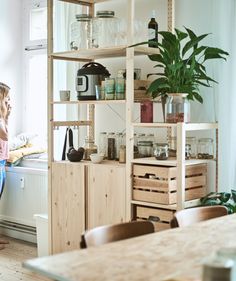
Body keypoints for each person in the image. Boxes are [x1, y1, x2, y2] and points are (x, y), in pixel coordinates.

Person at [0, 82, 11, 250]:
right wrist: (4, 115)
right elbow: (5, 136)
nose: (9, 102)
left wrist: (6, 117)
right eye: (6, 98)